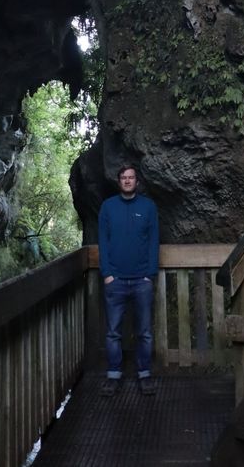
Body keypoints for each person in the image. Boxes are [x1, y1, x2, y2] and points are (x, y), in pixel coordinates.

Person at [98, 163, 159, 396]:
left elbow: (154, 241)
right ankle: (114, 375)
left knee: (143, 332)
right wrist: (108, 274)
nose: (127, 180)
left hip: (142, 279)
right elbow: (103, 241)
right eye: (123, 177)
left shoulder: (148, 207)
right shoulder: (108, 207)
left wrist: (149, 274)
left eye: (131, 177)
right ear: (119, 181)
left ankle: (144, 375)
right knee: (113, 332)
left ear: (137, 181)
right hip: (116, 281)